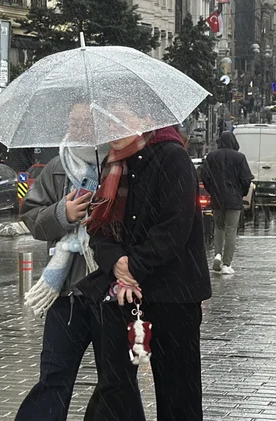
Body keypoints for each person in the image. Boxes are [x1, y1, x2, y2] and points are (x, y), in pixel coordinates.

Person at [79, 108, 211, 421]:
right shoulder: (114, 163)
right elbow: (98, 228)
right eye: (109, 119)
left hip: (173, 296)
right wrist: (116, 263)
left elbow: (174, 227)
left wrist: (132, 267)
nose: (113, 126)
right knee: (114, 388)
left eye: (121, 117)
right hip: (124, 298)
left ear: (145, 119)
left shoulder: (173, 157)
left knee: (178, 394)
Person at [15, 103, 141, 421]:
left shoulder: (122, 165)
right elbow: (31, 216)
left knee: (118, 382)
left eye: (85, 122)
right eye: (72, 122)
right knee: (54, 376)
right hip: (67, 294)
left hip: (112, 292)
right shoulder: (58, 167)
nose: (76, 129)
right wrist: (63, 213)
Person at [202, 131, 253, 275]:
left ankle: (217, 254)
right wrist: (241, 192)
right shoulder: (239, 157)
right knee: (231, 230)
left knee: (218, 227)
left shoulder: (212, 157)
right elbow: (246, 179)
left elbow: (204, 176)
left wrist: (212, 190)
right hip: (234, 199)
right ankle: (226, 264)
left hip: (217, 198)